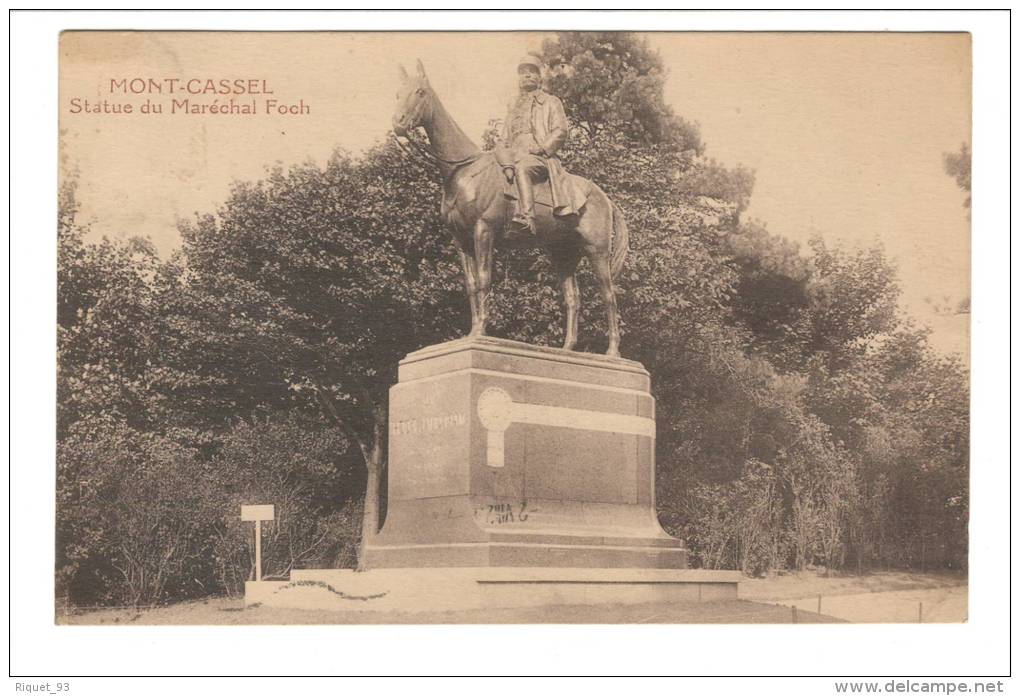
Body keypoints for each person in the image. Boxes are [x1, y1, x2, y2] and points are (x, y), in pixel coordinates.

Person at [501, 55, 578, 235]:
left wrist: (542, 148)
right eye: (523, 73)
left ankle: (527, 219)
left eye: (532, 72)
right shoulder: (513, 106)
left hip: (540, 158)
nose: (527, 76)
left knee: (522, 168)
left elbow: (560, 131)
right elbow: (504, 137)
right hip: (513, 156)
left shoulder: (551, 102)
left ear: (540, 77)